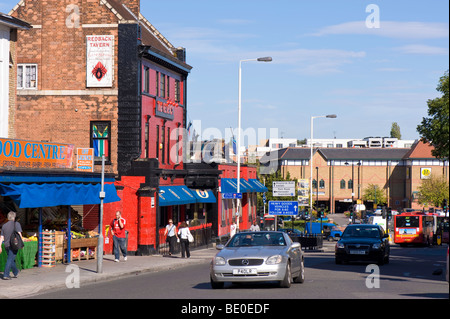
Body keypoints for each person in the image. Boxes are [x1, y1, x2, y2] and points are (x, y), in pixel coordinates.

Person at [0, 211, 23, 280]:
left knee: (11, 258)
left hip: (6, 245)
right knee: (10, 259)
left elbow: (1, 237)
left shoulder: (4, 225)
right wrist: (21, 244)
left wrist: (0, 246)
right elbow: (19, 235)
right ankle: (6, 274)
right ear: (14, 217)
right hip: (14, 245)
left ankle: (15, 272)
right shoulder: (17, 224)